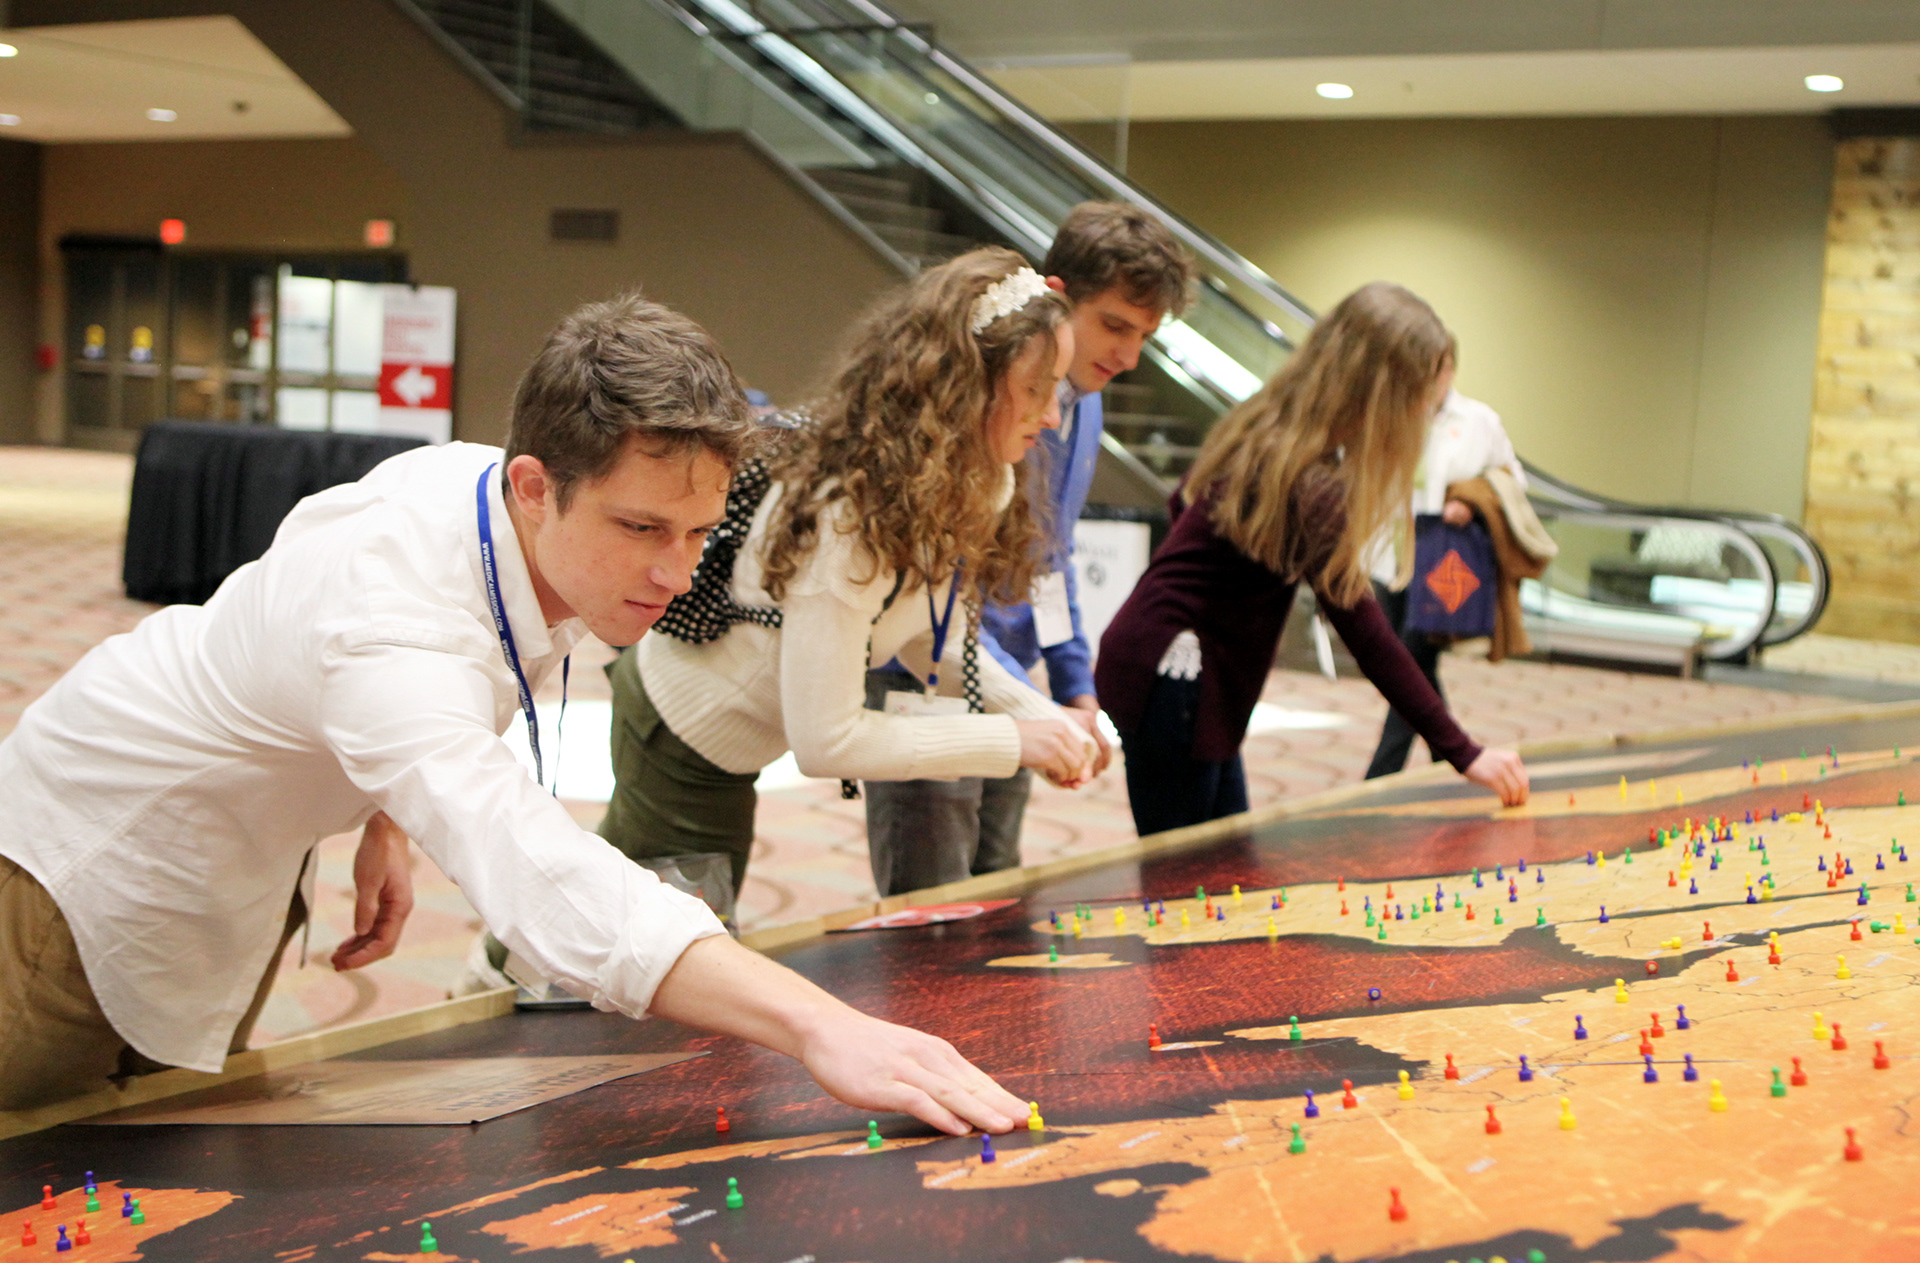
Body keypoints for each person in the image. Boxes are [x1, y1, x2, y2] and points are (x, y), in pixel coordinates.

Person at [0, 294, 1027, 1135]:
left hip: (245, 860)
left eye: (698, 532)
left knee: (163, 1142)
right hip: (87, 863)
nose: (676, 573)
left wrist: (387, 811)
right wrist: (819, 1029)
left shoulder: (487, 498)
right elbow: (534, 871)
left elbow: (373, 671)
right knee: (42, 1154)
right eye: (641, 528)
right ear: (536, 486)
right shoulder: (392, 620)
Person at [596, 249, 1097, 894]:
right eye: (1036, 390)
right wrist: (1016, 739)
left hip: (744, 730)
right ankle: (503, 953)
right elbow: (828, 743)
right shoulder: (849, 519)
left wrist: (1043, 718)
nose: (1053, 416)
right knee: (656, 925)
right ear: (967, 385)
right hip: (685, 731)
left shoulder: (980, 476)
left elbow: (930, 632)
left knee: (626, 899)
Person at [1094, 282, 1531, 836]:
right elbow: (1365, 631)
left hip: (1176, 666)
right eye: (1420, 392)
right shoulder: (1312, 480)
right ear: (1382, 391)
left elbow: (1183, 499)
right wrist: (1465, 753)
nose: (1426, 408)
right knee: (1186, 872)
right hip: (1179, 677)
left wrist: (1223, 589)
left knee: (1221, 859)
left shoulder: (1272, 426)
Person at [860, 203, 1194, 896]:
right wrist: (1030, 702)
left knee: (996, 885)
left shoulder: (1087, 402)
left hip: (1016, 672)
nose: (1129, 357)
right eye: (1115, 326)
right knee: (933, 897)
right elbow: (930, 585)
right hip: (928, 668)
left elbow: (1050, 555)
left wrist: (1073, 685)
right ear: (1057, 296)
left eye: (1145, 336)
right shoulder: (979, 401)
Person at [1364, 388, 1527, 778]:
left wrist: (1470, 502)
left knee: (1408, 666)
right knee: (1416, 669)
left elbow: (1512, 480)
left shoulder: (1477, 420)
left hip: (1438, 564)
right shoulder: (1391, 413)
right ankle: (1452, 758)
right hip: (1391, 559)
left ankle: (1381, 775)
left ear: (1447, 369)